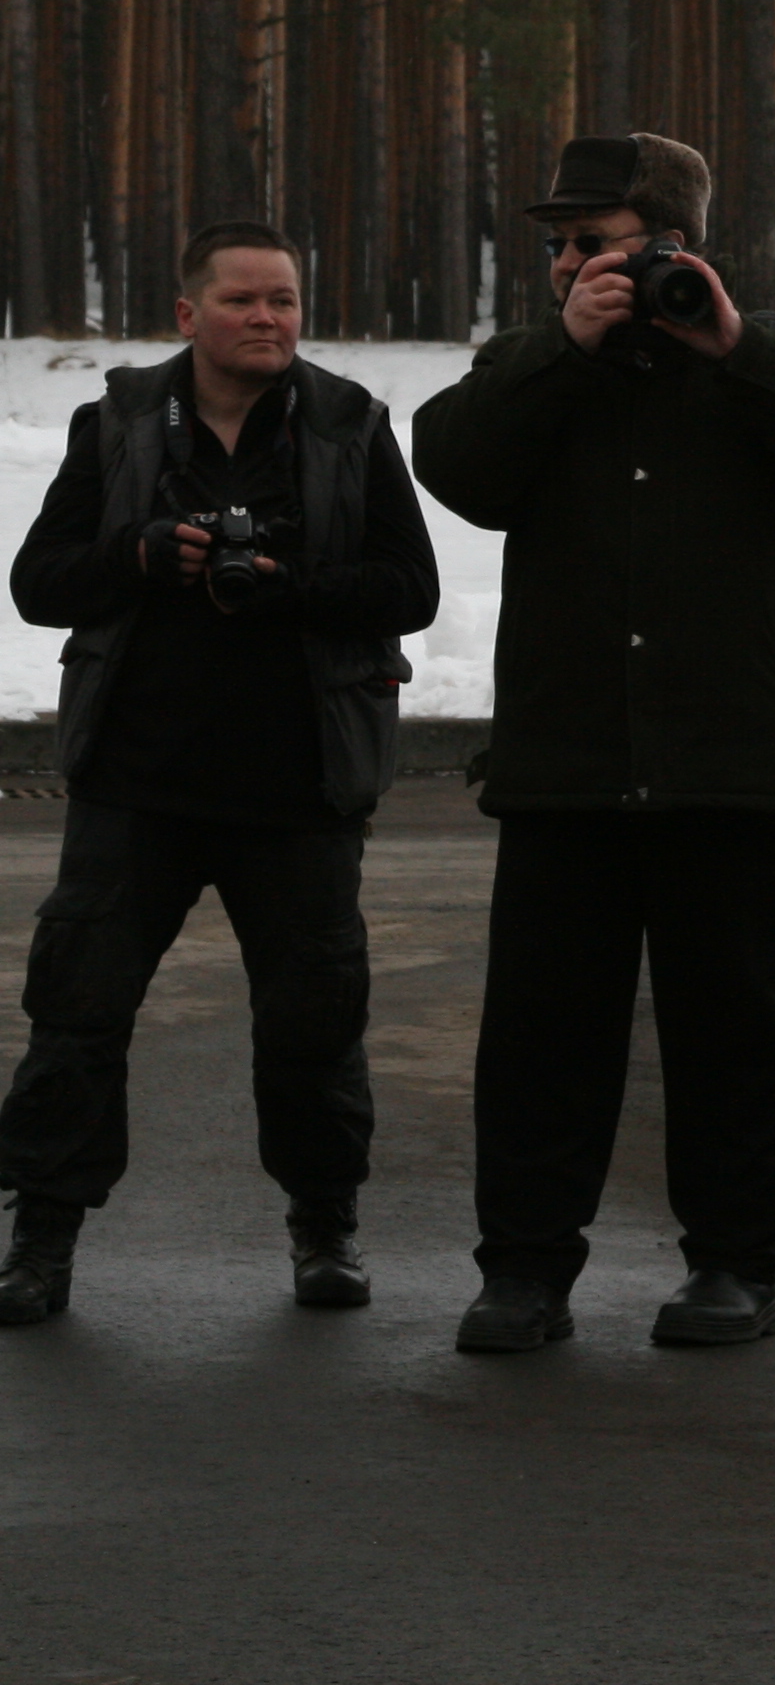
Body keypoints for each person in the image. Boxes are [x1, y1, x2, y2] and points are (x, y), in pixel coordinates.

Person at [411, 133, 775, 1356]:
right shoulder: (531, 365)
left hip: (729, 766)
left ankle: (733, 1267)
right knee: (540, 1039)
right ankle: (524, 1272)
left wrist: (734, 346)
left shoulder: (774, 354)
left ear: (671, 241)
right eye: (559, 247)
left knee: (729, 1034)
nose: (569, 263)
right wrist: (562, 354)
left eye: (593, 241)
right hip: (564, 766)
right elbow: (457, 468)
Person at [0, 221, 440, 1326]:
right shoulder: (119, 424)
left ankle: (325, 1229)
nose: (267, 319)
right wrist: (139, 555)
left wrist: (294, 586)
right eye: (243, 300)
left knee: (314, 1026)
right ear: (189, 314)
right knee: (77, 1017)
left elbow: (411, 589)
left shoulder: (348, 424)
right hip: (135, 785)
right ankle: (41, 1241)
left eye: (283, 300)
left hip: (299, 790)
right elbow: (39, 583)